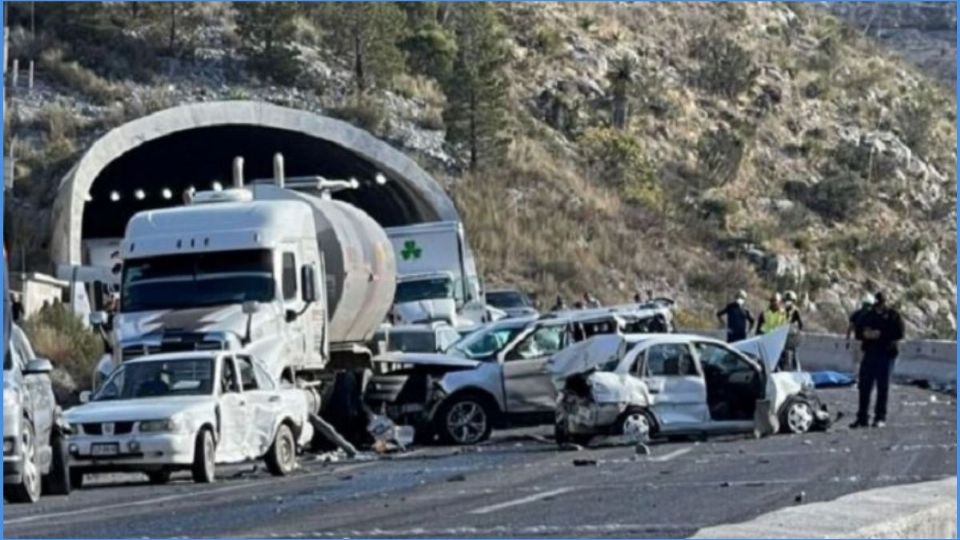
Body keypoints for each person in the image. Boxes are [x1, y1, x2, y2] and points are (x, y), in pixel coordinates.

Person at [851, 292, 904, 429]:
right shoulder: (868, 316)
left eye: (881, 303)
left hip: (886, 354)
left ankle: (880, 417)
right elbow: (858, 330)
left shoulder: (893, 316)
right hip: (870, 353)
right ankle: (862, 417)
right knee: (864, 386)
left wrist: (881, 334)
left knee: (882, 386)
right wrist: (865, 334)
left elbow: (899, 333)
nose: (879, 307)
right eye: (877, 304)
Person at [846, 294, 875, 372]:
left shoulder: (856, 314)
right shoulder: (872, 315)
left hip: (857, 340)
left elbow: (850, 328)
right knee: (865, 361)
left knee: (856, 361)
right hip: (867, 342)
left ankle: (856, 377)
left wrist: (848, 340)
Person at [780, 290, 804, 370]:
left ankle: (796, 369)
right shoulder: (781, 311)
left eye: (789, 301)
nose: (787, 302)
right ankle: (782, 368)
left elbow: (801, 324)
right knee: (781, 353)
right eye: (786, 300)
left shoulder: (795, 311)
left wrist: (797, 332)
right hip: (782, 334)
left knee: (794, 353)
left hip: (791, 335)